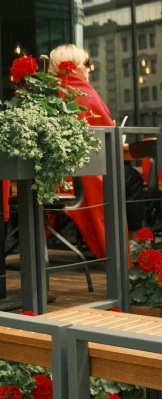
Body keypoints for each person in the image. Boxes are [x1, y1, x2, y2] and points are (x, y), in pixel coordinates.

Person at [49, 44, 145, 252]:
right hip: (83, 176)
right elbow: (107, 137)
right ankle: (131, 243)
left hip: (55, 178)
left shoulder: (48, 95)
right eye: (86, 64)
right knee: (134, 179)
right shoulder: (84, 94)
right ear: (73, 66)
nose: (89, 69)